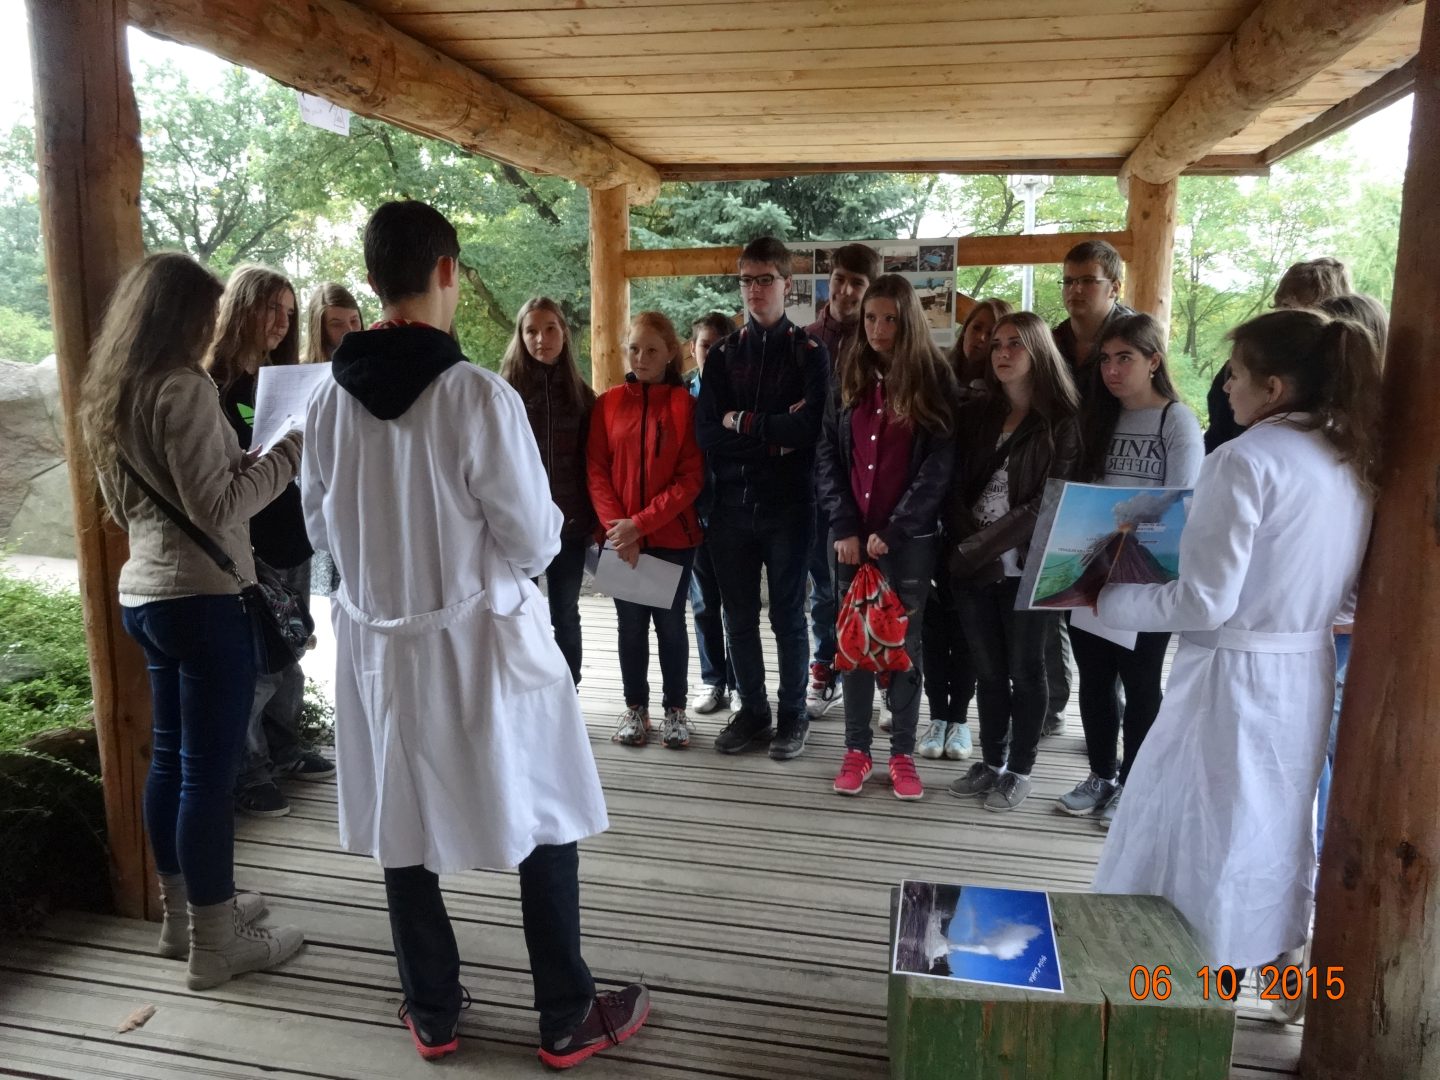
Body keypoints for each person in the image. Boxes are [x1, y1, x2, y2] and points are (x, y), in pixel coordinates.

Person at [301, 200, 647, 1066]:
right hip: (481, 638)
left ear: (374, 279)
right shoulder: (475, 395)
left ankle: (432, 1007)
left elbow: (318, 530)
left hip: (381, 647)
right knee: (544, 806)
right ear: (448, 271)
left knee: (401, 816)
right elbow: (533, 540)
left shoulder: (328, 400)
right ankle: (565, 1010)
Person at [1093, 307, 1379, 980]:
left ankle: (1183, 976)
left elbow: (1205, 600)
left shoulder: (1243, 460)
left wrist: (1109, 597)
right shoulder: (1349, 456)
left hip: (1232, 673)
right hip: (1304, 667)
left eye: (1236, 375)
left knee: (1199, 829)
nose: (1225, 387)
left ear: (1273, 388)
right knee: (1268, 827)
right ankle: (1249, 961)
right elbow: (1346, 594)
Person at [80, 252, 305, 990]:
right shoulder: (183, 387)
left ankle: (183, 917)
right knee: (208, 775)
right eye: (207, 313)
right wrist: (288, 454)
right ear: (180, 315)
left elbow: (126, 511)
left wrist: (237, 462)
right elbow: (218, 508)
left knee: (172, 763)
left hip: (146, 598)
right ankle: (217, 940)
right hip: (205, 601)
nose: (214, 325)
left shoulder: (114, 393)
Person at [1055, 313, 1203, 828]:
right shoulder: (1097, 417)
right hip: (1093, 568)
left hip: (1148, 574)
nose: (1113, 370)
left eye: (1126, 358)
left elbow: (1182, 496)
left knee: (1140, 681)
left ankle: (1135, 785)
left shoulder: (1176, 421)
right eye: (1106, 360)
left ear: (1154, 361)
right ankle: (1101, 774)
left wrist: (1131, 514)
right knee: (1094, 677)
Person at [816, 275, 957, 800]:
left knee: (903, 649)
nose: (877, 328)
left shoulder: (933, 378)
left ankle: (901, 754)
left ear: (908, 321)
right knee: (853, 645)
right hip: (850, 542)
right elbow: (827, 455)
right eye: (870, 318)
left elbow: (939, 467)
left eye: (889, 319)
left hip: (908, 542)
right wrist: (844, 526)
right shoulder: (848, 372)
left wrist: (895, 530)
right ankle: (856, 750)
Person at [206, 265, 334, 819]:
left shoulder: (283, 379)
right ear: (241, 308)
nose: (282, 322)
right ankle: (248, 770)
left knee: (291, 649)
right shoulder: (213, 384)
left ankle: (285, 747)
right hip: (247, 544)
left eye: (289, 311)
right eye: (271, 308)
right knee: (259, 662)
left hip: (292, 534)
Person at [695, 237, 830, 761]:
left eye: (765, 279)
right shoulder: (723, 354)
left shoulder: (809, 353)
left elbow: (810, 429)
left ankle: (793, 712)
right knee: (739, 615)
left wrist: (744, 422)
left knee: (789, 617)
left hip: (790, 506)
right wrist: (773, 436)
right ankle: (753, 710)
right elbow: (708, 432)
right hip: (730, 506)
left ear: (787, 284)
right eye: (747, 280)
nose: (755, 289)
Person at [945, 312, 1081, 811]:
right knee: (987, 670)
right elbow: (953, 484)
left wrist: (974, 549)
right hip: (973, 564)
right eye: (997, 344)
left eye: (1015, 344)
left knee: (1026, 670)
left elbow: (1048, 502)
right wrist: (967, 544)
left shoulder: (1062, 421)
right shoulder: (979, 413)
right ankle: (992, 761)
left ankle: (1020, 769)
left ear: (1039, 351)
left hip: (1029, 565)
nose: (1002, 352)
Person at [588, 311, 704, 749]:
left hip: (672, 539)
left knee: (671, 627)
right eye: (634, 348)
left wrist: (639, 525)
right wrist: (620, 532)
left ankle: (676, 710)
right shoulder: (608, 403)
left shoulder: (685, 406)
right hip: (620, 540)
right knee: (630, 627)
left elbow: (690, 479)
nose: (641, 358)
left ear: (672, 352)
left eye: (652, 350)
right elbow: (596, 471)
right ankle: (636, 708)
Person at [1045, 239, 1134, 736]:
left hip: (1115, 488)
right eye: (1068, 281)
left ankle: (1112, 725)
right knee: (1054, 599)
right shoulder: (1053, 340)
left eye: (1087, 281)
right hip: (1060, 483)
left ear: (1114, 286)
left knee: (1109, 610)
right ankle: (1052, 704)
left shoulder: (1134, 336)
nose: (1075, 290)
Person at [919, 298, 1013, 760]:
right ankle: (936, 716)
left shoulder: (1007, 397)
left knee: (969, 631)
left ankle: (959, 720)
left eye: (995, 335)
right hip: (932, 520)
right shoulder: (940, 379)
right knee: (933, 627)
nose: (984, 340)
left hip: (979, 531)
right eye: (977, 328)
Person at [1312, 292, 1388, 853]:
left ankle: (1319, 863)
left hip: (1337, 618)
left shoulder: (1344, 433)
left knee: (1319, 747)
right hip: (1345, 615)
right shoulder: (1375, 428)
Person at [501, 297, 597, 686]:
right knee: (522, 612)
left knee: (565, 613)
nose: (541, 339)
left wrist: (594, 520)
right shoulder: (504, 393)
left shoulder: (582, 396)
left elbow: (593, 465)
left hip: (569, 525)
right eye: (532, 331)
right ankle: (527, 692)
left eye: (550, 329)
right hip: (519, 526)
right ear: (521, 336)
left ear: (564, 333)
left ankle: (568, 693)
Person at [805, 244, 881, 718]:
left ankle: (882, 675)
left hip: (867, 490)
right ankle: (826, 668)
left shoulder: (880, 344)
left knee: (873, 588)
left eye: (857, 283)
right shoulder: (806, 341)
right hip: (814, 488)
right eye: (839, 279)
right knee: (823, 589)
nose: (846, 291)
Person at [1204, 257, 1351, 453]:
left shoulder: (1350, 386)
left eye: (1294, 309)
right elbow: (1217, 440)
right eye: (1282, 306)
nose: (1282, 317)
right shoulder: (1241, 372)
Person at [687, 312, 738, 715]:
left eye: (721, 346)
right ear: (693, 349)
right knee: (703, 603)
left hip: (734, 511)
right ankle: (712, 680)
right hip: (693, 512)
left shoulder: (743, 393)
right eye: (706, 346)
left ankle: (739, 682)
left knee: (736, 604)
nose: (713, 353)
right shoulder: (681, 396)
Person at [303, 283, 364, 363]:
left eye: (354, 321)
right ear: (320, 329)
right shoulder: (300, 368)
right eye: (337, 324)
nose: (350, 330)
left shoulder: (373, 361)